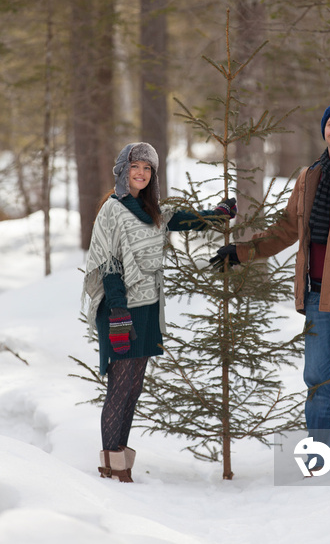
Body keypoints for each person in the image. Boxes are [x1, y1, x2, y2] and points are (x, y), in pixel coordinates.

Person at [210, 101, 330, 470]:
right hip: (317, 297)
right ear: (324, 130)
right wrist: (241, 252)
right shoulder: (310, 177)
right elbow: (286, 231)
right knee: (317, 382)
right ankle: (319, 456)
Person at [82, 142, 236, 482]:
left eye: (147, 168)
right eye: (135, 166)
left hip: (148, 307)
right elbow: (108, 264)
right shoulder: (112, 209)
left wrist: (217, 215)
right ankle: (110, 467)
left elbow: (182, 220)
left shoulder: (151, 209)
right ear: (123, 170)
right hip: (120, 308)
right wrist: (119, 312)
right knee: (119, 388)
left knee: (134, 387)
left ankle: (120, 461)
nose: (141, 173)